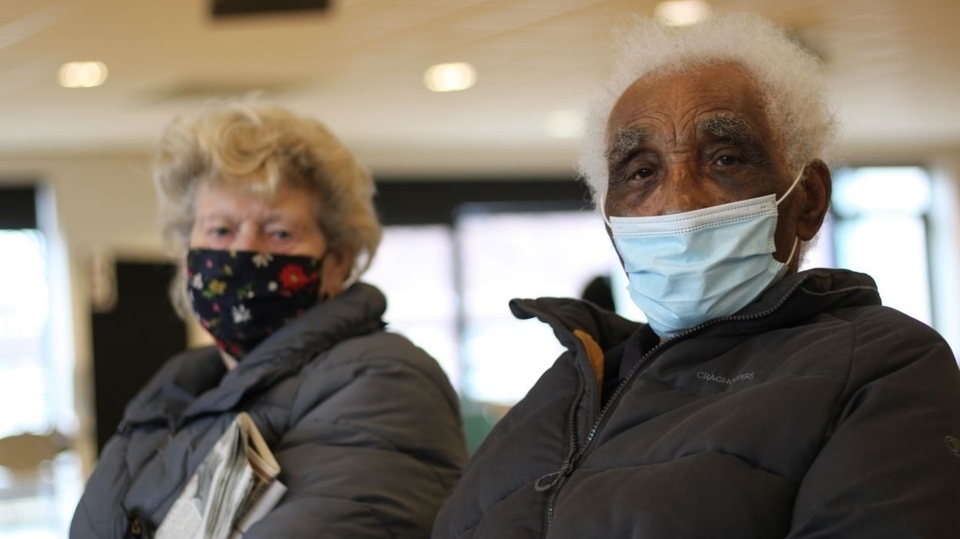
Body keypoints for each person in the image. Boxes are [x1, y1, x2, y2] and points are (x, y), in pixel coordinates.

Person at [433, 12, 960, 538]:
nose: (679, 203)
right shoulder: (569, 384)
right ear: (612, 224)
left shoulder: (883, 367)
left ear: (808, 200)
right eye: (641, 172)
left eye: (725, 160)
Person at [70, 101, 467, 538]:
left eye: (279, 232)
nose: (244, 252)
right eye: (221, 231)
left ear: (336, 262)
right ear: (187, 256)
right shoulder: (174, 395)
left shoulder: (387, 382)